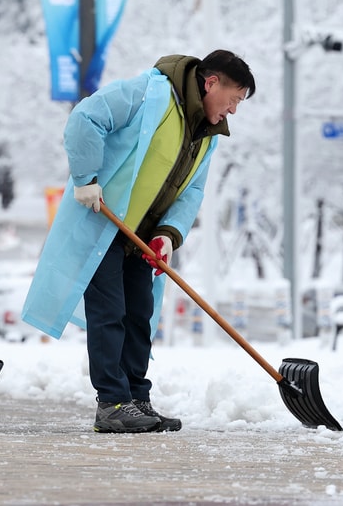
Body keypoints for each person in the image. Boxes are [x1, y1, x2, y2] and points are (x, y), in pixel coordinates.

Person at [22, 50, 255, 433]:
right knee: (110, 313)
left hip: (143, 237)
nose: (233, 110)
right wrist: (85, 178)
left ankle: (135, 397)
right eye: (233, 100)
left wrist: (168, 234)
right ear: (211, 83)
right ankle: (112, 403)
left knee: (139, 315)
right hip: (105, 223)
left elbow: (192, 190)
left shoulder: (206, 135)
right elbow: (86, 117)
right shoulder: (150, 92)